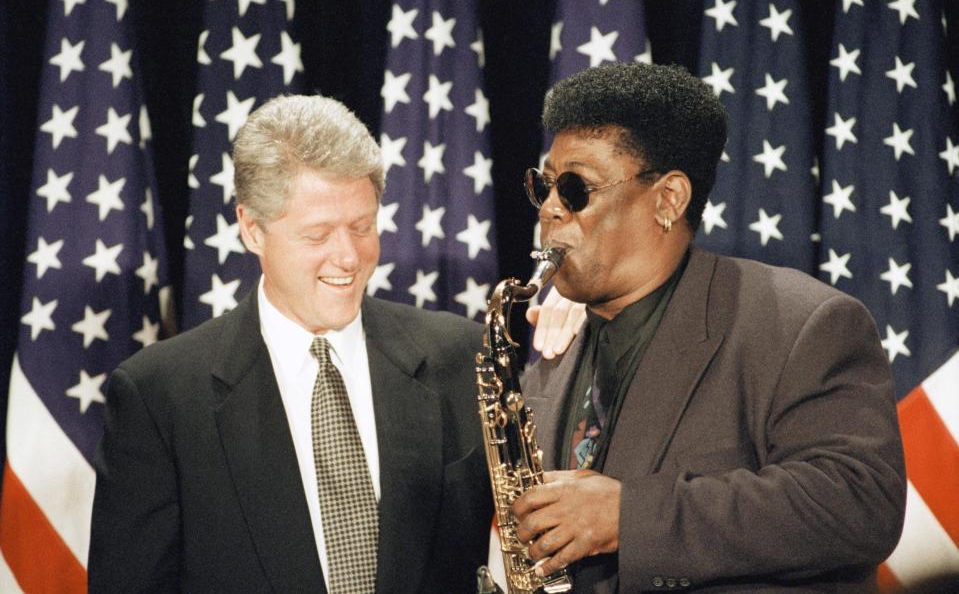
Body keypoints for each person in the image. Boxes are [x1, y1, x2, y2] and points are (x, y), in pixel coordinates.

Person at [510, 63, 906, 593]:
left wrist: (630, 517)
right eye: (546, 186)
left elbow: (860, 502)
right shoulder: (551, 359)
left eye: (577, 188)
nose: (552, 210)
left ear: (669, 199)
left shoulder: (802, 324)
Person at [88, 94, 496, 593]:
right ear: (252, 230)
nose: (348, 257)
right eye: (318, 234)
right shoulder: (160, 398)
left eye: (362, 227)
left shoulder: (463, 357)